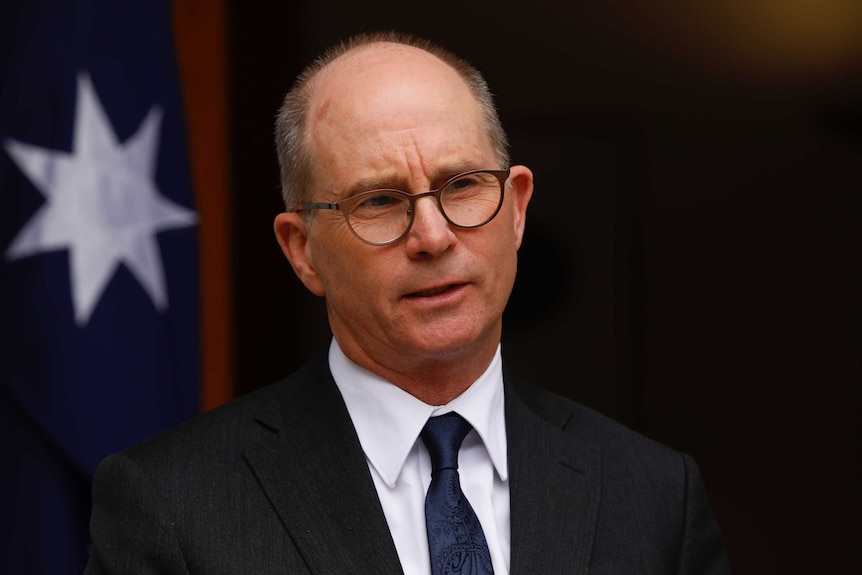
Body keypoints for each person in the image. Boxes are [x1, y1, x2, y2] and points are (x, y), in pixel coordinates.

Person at [86, 31, 730, 574]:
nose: (433, 235)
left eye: (464, 185)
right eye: (379, 200)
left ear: (517, 210)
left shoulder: (653, 495)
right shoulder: (169, 505)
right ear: (301, 249)